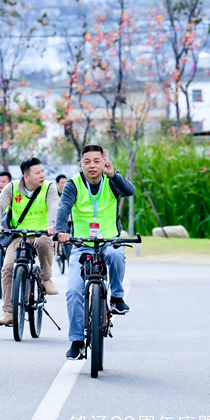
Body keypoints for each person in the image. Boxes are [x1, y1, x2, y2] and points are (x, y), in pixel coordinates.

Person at [56, 144, 136, 360]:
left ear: (103, 161)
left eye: (96, 161)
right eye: (87, 161)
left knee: (117, 254)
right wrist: (62, 230)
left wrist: (114, 175)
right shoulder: (74, 184)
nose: (92, 165)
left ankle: (116, 298)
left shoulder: (112, 180)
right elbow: (64, 207)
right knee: (73, 291)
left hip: (109, 240)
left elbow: (130, 191)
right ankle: (77, 340)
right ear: (81, 164)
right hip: (81, 243)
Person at [0, 158, 59, 327]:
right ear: (26, 176)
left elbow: (54, 207)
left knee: (44, 243)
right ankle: (9, 312)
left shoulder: (49, 187)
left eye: (42, 171)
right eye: (38, 173)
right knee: (7, 268)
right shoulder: (12, 188)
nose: (42, 175)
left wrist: (51, 226)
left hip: (42, 233)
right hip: (18, 235)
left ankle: (46, 278)